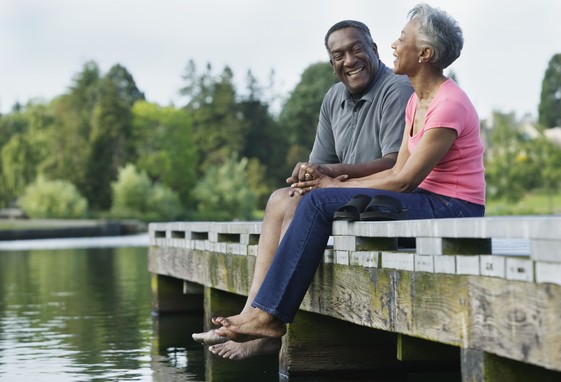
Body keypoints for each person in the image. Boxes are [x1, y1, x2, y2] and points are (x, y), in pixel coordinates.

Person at [211, 3, 485, 344]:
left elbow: (403, 180)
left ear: (425, 53)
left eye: (402, 39)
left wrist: (330, 186)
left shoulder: (448, 105)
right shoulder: (418, 101)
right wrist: (331, 184)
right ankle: (260, 312)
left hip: (453, 207)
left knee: (316, 203)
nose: (394, 46)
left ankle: (269, 317)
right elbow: (399, 170)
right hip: (426, 200)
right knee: (314, 199)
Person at [192, 20, 414, 359]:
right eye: (339, 55)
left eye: (356, 49)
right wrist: (310, 174)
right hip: (345, 195)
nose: (350, 60)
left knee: (301, 206)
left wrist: (332, 174)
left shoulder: (395, 88)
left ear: (374, 50)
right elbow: (320, 163)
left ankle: (267, 321)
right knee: (282, 197)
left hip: (381, 198)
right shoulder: (333, 98)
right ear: (331, 63)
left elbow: (396, 164)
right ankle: (255, 313)